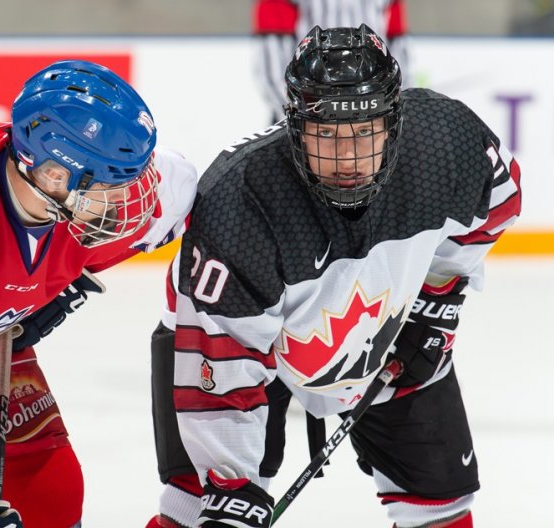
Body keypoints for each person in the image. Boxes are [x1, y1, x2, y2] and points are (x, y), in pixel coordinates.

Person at [146, 24, 522, 528]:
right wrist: (231, 487)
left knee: (442, 506)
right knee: (196, 511)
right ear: (295, 126)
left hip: (386, 328)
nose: (346, 158)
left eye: (365, 132)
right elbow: (222, 361)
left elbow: (496, 208)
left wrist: (437, 300)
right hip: (233, 349)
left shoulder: (442, 144)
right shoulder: (242, 202)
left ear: (395, 122)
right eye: (326, 134)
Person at [0, 59, 197, 528]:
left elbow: (193, 189)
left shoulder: (67, 192)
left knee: (47, 492)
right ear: (51, 176)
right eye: (112, 186)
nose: (133, 201)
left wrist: (51, 287)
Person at [253, 0, 409, 122]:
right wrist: (300, 119)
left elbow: (398, 58)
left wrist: (388, 115)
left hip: (372, 120)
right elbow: (272, 71)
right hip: (307, 116)